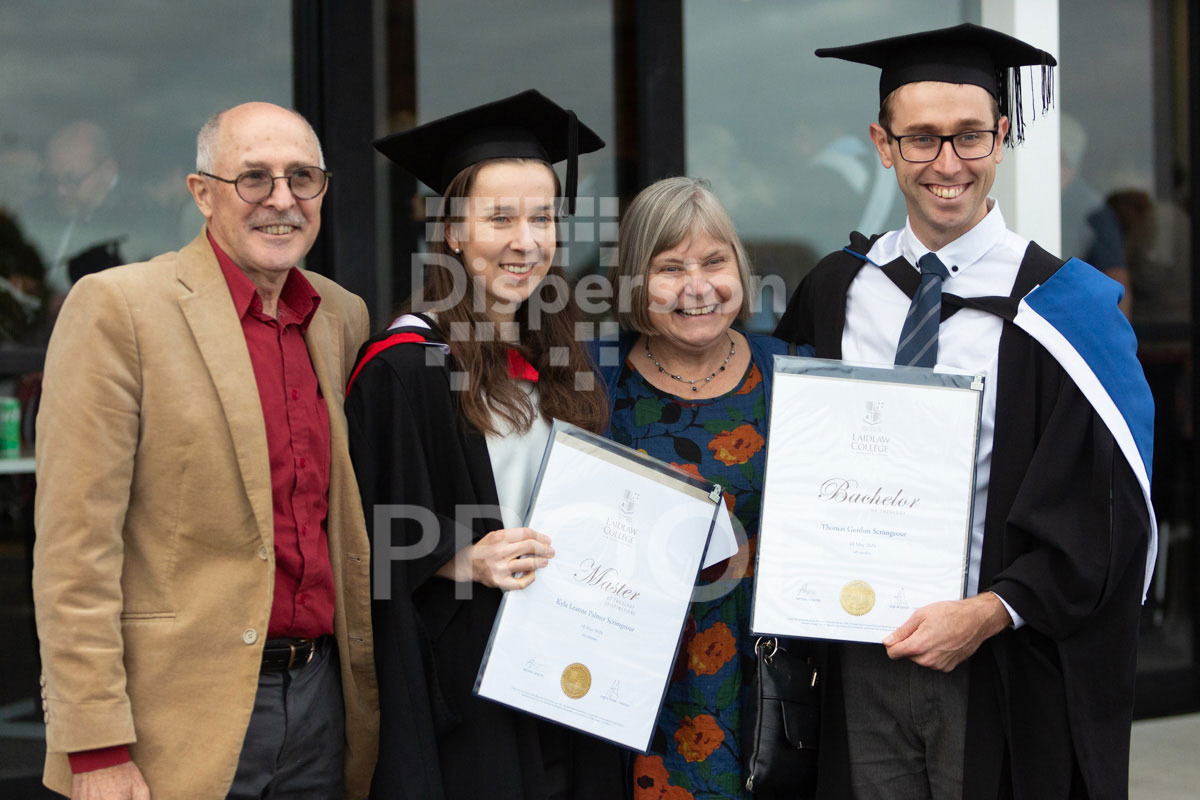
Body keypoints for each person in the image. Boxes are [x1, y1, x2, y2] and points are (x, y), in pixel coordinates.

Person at [774, 23, 1155, 800]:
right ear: (883, 146)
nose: (947, 164)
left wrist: (990, 612)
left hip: (1002, 665)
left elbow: (1105, 513)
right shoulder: (836, 290)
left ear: (1002, 138)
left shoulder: (1067, 311)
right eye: (921, 138)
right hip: (857, 655)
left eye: (969, 136)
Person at [33, 102, 378, 799]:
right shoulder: (119, 308)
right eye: (253, 178)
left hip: (321, 708)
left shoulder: (340, 315)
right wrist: (95, 746)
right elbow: (76, 549)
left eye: (302, 177)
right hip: (174, 722)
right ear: (202, 193)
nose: (281, 200)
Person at [346, 90, 623, 800]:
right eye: (500, 218)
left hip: (568, 673)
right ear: (452, 231)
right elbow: (357, 533)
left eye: (542, 218)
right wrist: (459, 556)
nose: (525, 242)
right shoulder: (406, 367)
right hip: (469, 695)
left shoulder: (559, 355)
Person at [597, 177, 806, 799]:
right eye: (670, 268)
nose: (698, 286)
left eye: (714, 261)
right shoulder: (594, 383)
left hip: (766, 689)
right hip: (633, 690)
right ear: (635, 282)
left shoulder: (794, 374)